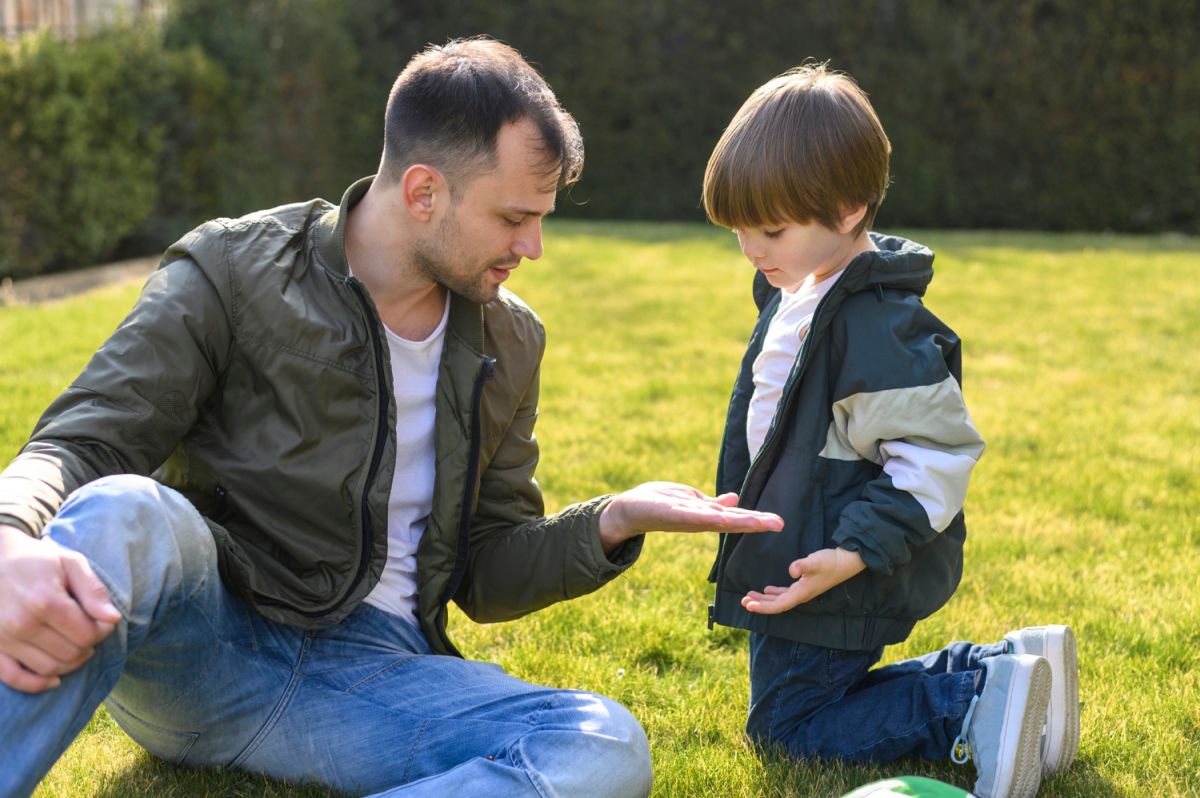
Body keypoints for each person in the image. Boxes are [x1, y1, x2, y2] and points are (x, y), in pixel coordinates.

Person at [0, 38, 783, 798]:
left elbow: (485, 565)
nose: (535, 246)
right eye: (514, 217)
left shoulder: (509, 339)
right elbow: (83, 437)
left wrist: (610, 521)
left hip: (375, 683)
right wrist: (8, 535)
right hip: (206, 647)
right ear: (422, 193)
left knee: (602, 744)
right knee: (126, 509)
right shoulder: (233, 271)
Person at [700, 63, 1080, 798]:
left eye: (770, 228)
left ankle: (971, 705)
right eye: (739, 229)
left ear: (846, 211)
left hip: (835, 567)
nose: (750, 247)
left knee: (790, 729)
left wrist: (848, 554)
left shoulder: (875, 327)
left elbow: (934, 458)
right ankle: (1012, 667)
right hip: (803, 552)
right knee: (804, 708)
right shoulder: (804, 291)